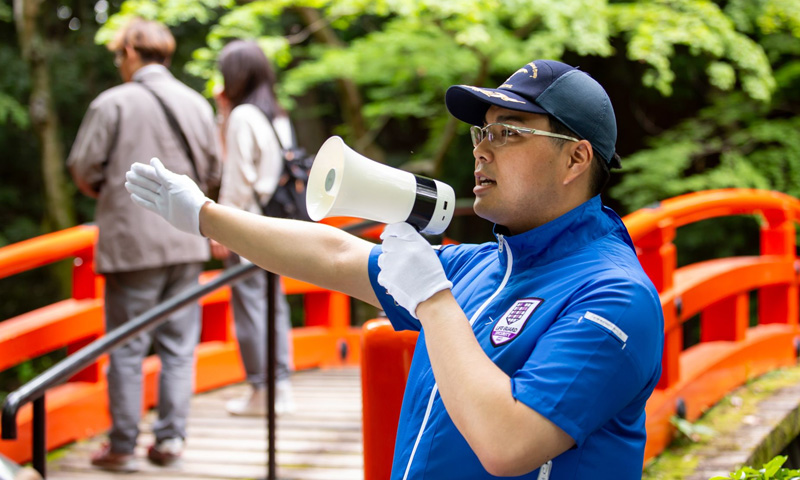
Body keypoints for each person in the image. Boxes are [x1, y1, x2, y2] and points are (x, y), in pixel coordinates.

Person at [124, 59, 664, 479]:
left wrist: (432, 300)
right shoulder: (483, 266)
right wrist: (206, 216)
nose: (482, 151)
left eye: (510, 133)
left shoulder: (613, 297)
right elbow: (336, 255)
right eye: (483, 133)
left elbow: (510, 444)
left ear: (576, 159)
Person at [67, 18, 220, 472]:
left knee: (128, 348)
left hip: (133, 246)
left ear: (132, 51)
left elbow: (83, 167)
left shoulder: (112, 103)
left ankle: (123, 445)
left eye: (119, 54)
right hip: (188, 241)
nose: (119, 63)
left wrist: (113, 193)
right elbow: (213, 171)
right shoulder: (196, 103)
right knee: (178, 346)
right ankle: (171, 441)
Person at [211, 40, 295, 417]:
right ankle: (282, 387)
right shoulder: (277, 115)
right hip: (277, 225)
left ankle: (261, 390)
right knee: (273, 306)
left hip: (249, 227)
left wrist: (220, 227)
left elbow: (237, 179)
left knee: (249, 309)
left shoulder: (243, 117)